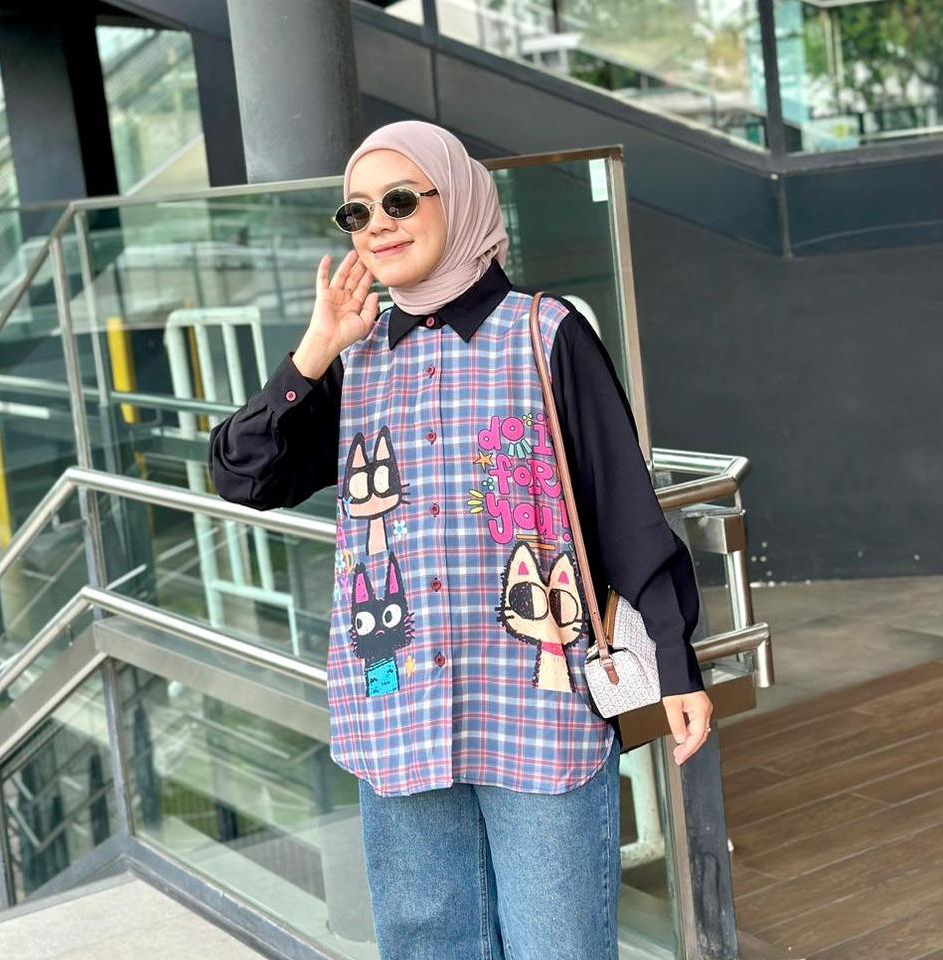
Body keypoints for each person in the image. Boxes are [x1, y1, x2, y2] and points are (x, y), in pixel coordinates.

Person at [208, 120, 714, 960]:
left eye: (401, 200)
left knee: (559, 948)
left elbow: (622, 506)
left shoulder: (544, 333)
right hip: (395, 705)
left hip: (539, 706)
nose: (378, 224)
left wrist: (673, 661)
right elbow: (241, 474)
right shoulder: (354, 360)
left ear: (462, 199)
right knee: (428, 948)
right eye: (357, 212)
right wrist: (314, 350)